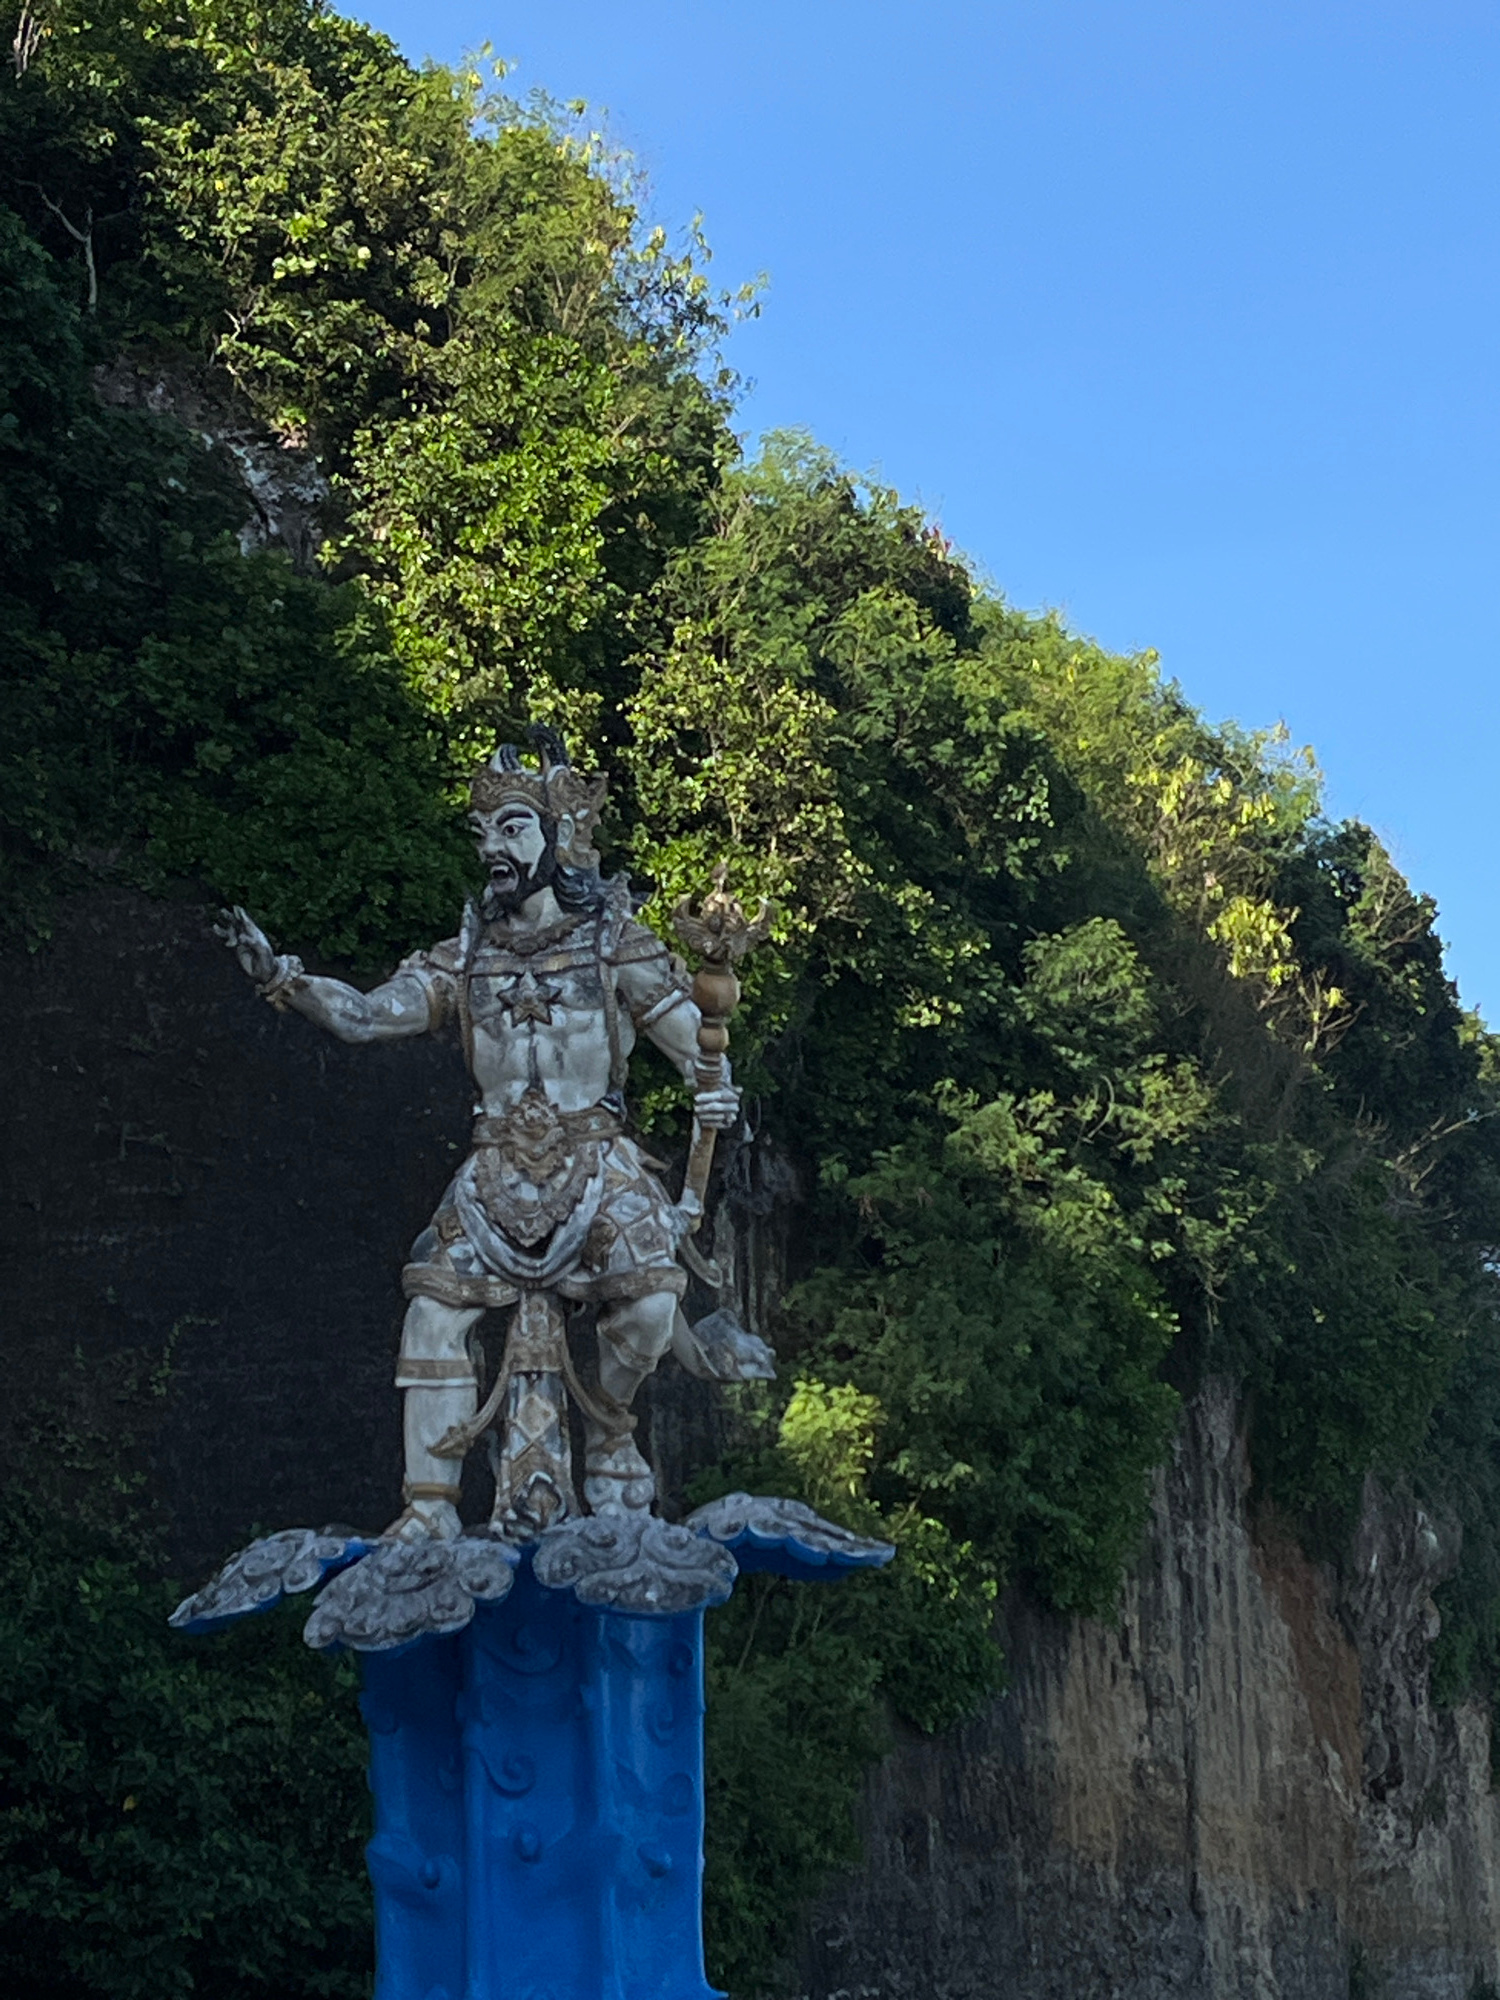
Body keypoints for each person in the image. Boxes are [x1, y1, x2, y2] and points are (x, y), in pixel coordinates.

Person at [219, 729, 740, 1540]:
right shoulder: (461, 959)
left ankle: (610, 1430)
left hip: (596, 1161)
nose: (493, 848)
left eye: (512, 829)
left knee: (648, 1304)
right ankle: (428, 1507)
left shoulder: (615, 946)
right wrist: (286, 980)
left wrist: (715, 1090)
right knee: (432, 1311)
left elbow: (695, 1055)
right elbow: (367, 1016)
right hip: (494, 1172)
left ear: (559, 837)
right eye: (484, 833)